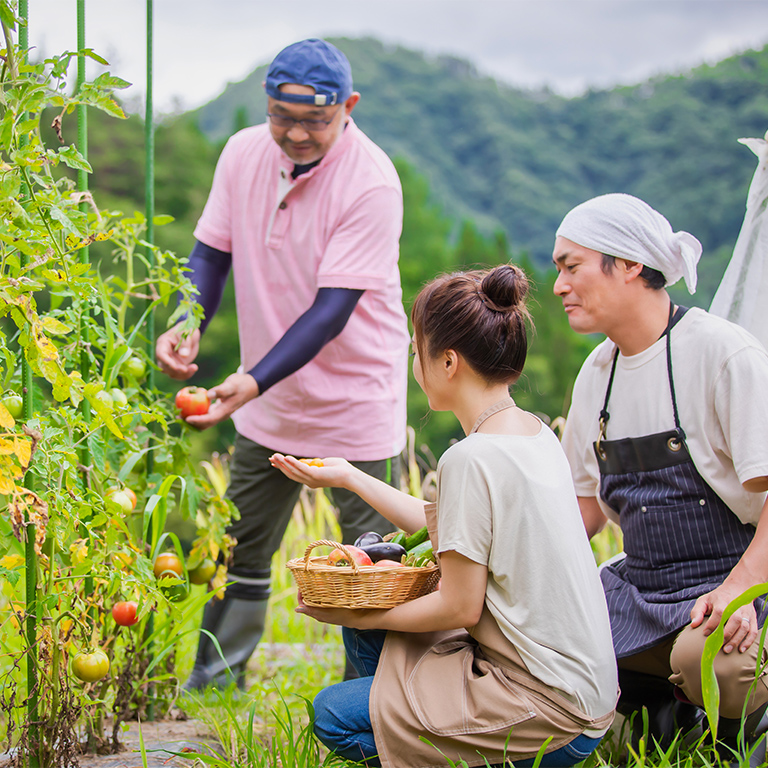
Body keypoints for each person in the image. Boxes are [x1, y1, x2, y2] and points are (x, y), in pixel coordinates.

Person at [270, 264, 618, 768]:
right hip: (583, 693)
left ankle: (434, 744)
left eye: (417, 353)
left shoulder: (472, 458)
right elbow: (450, 521)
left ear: (448, 361)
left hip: (546, 710)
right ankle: (413, 718)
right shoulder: (532, 434)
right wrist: (350, 476)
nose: (415, 365)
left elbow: (459, 609)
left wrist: (347, 611)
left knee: (333, 715)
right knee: (371, 629)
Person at [155, 38, 409, 689]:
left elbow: (331, 311)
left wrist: (250, 378)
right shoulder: (243, 152)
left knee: (372, 563)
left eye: (315, 121)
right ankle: (215, 680)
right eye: (281, 116)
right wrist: (188, 322)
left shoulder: (371, 182)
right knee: (239, 543)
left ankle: (379, 696)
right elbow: (210, 255)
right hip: (266, 399)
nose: (295, 133)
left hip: (354, 401)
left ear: (348, 107)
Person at [553, 193, 768, 755]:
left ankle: (746, 732)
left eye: (571, 266)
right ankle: (660, 715)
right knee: (550, 637)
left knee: (706, 658)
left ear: (626, 265)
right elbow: (585, 511)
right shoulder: (595, 374)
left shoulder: (721, 354)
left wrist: (741, 587)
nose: (558, 286)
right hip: (644, 584)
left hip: (740, 581)